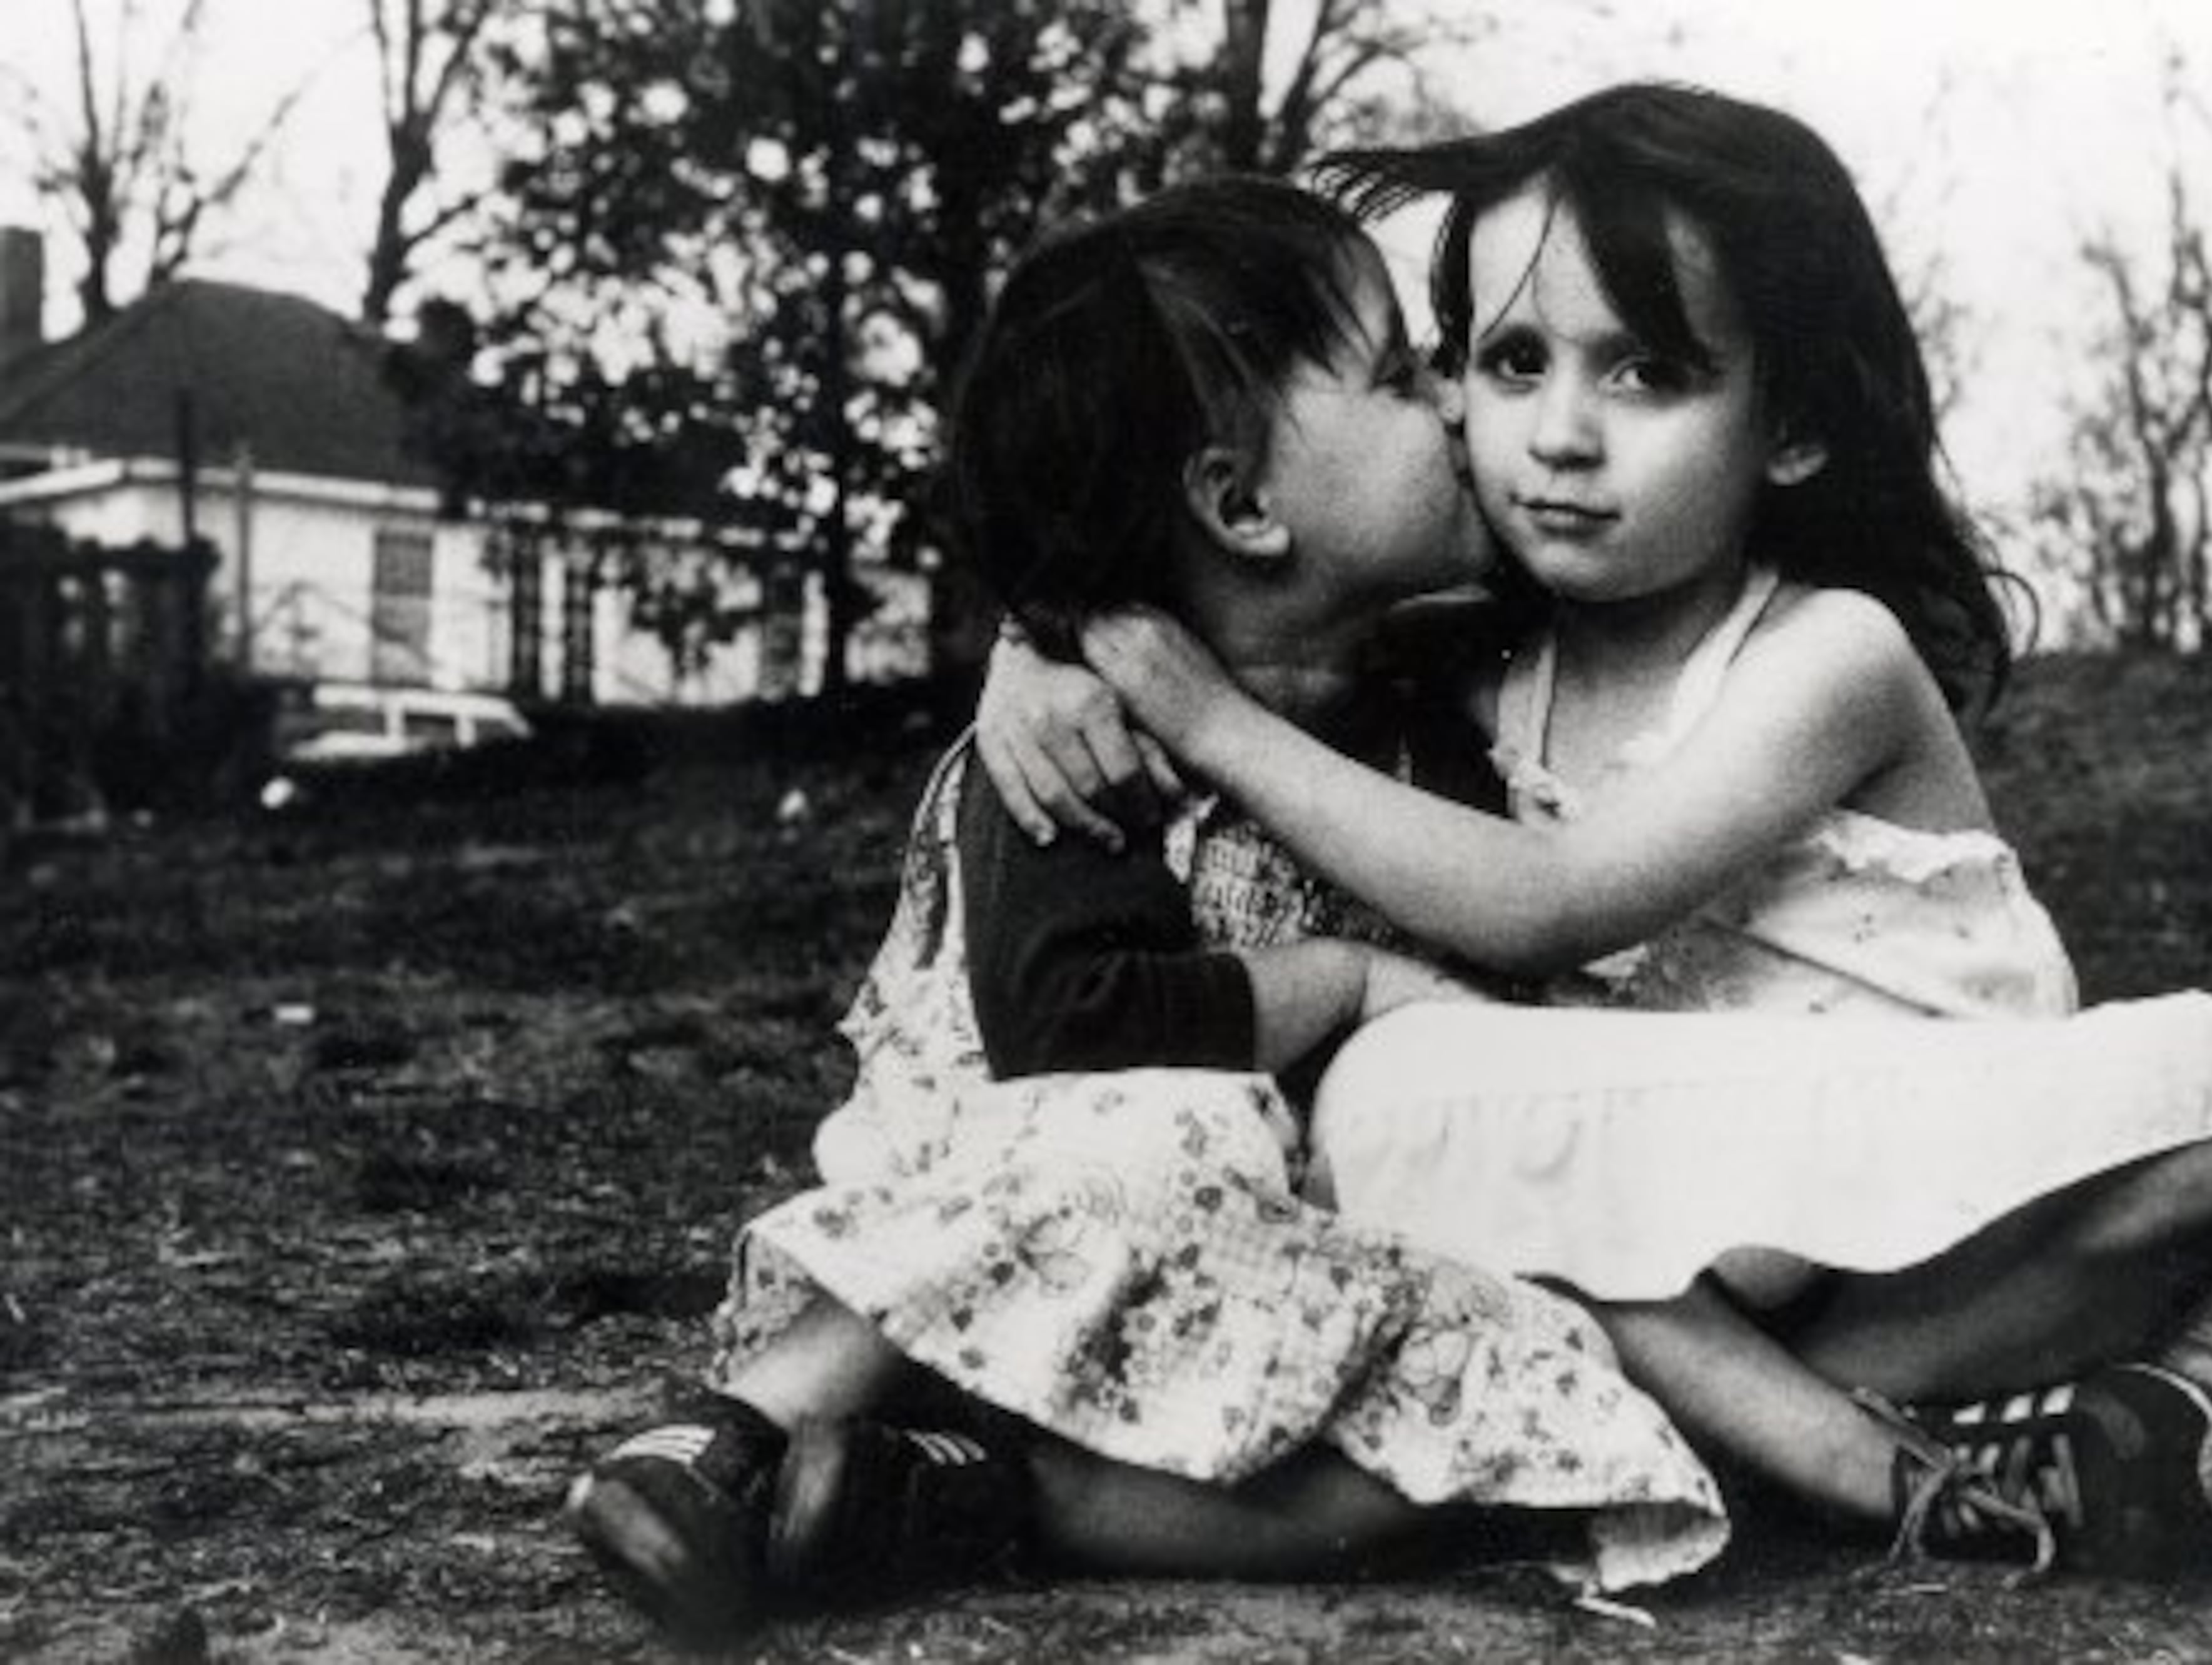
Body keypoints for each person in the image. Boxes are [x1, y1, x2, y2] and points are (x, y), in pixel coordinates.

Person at [981, 83, 2212, 1576]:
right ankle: (1881, 1459)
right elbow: (1232, 587)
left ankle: (1728, 1438)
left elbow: (1552, 903)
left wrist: (1204, 722)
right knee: (1397, 1093)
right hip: (1659, 1239)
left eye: (1646, 375)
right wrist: (1045, 647)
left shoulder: (1831, 655)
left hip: (1925, 1204)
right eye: (1512, 363)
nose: (1559, 437)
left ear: (1787, 430)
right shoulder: (1471, 649)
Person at [563, 175, 1734, 1652]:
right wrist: (1351, 984)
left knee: (1531, 1413)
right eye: (1401, 375)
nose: (1458, 406)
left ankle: (951, 1503)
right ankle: (726, 1436)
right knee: (1159, 1130)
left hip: (1271, 1288)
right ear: (1242, 506)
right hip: (1002, 1249)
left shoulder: (1443, 692)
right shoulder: (1093, 745)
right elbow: (1076, 1029)